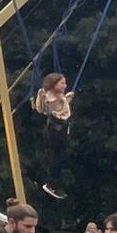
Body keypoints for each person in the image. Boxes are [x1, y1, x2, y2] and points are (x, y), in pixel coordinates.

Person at [33, 71, 73, 200]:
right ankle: (51, 185)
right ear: (54, 83)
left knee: (60, 158)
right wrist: (64, 99)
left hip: (58, 128)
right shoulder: (49, 97)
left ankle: (53, 185)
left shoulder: (58, 97)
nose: (64, 86)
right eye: (62, 83)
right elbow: (49, 108)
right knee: (58, 158)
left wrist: (65, 98)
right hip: (55, 129)